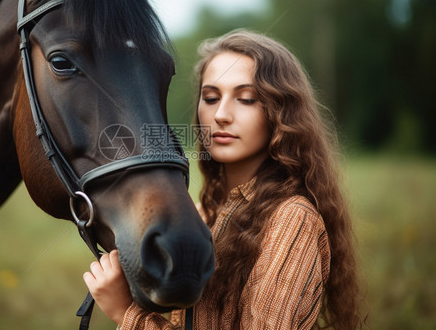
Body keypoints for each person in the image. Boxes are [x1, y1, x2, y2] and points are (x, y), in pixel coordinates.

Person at [83, 29, 364, 329]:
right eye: (211, 97)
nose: (221, 115)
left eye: (245, 99)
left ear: (281, 113)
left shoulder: (292, 219)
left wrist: (129, 315)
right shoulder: (204, 213)